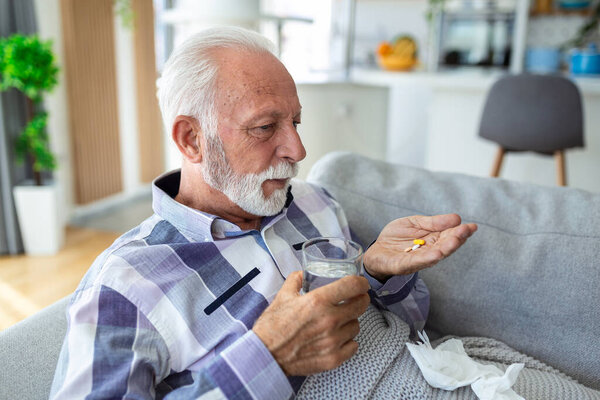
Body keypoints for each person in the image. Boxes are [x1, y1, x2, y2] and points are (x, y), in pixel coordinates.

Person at [49, 26, 477, 399]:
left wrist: (380, 273)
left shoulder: (315, 202)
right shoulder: (126, 285)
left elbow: (409, 333)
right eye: (265, 127)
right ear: (191, 139)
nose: (298, 150)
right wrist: (268, 357)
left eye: (296, 121)